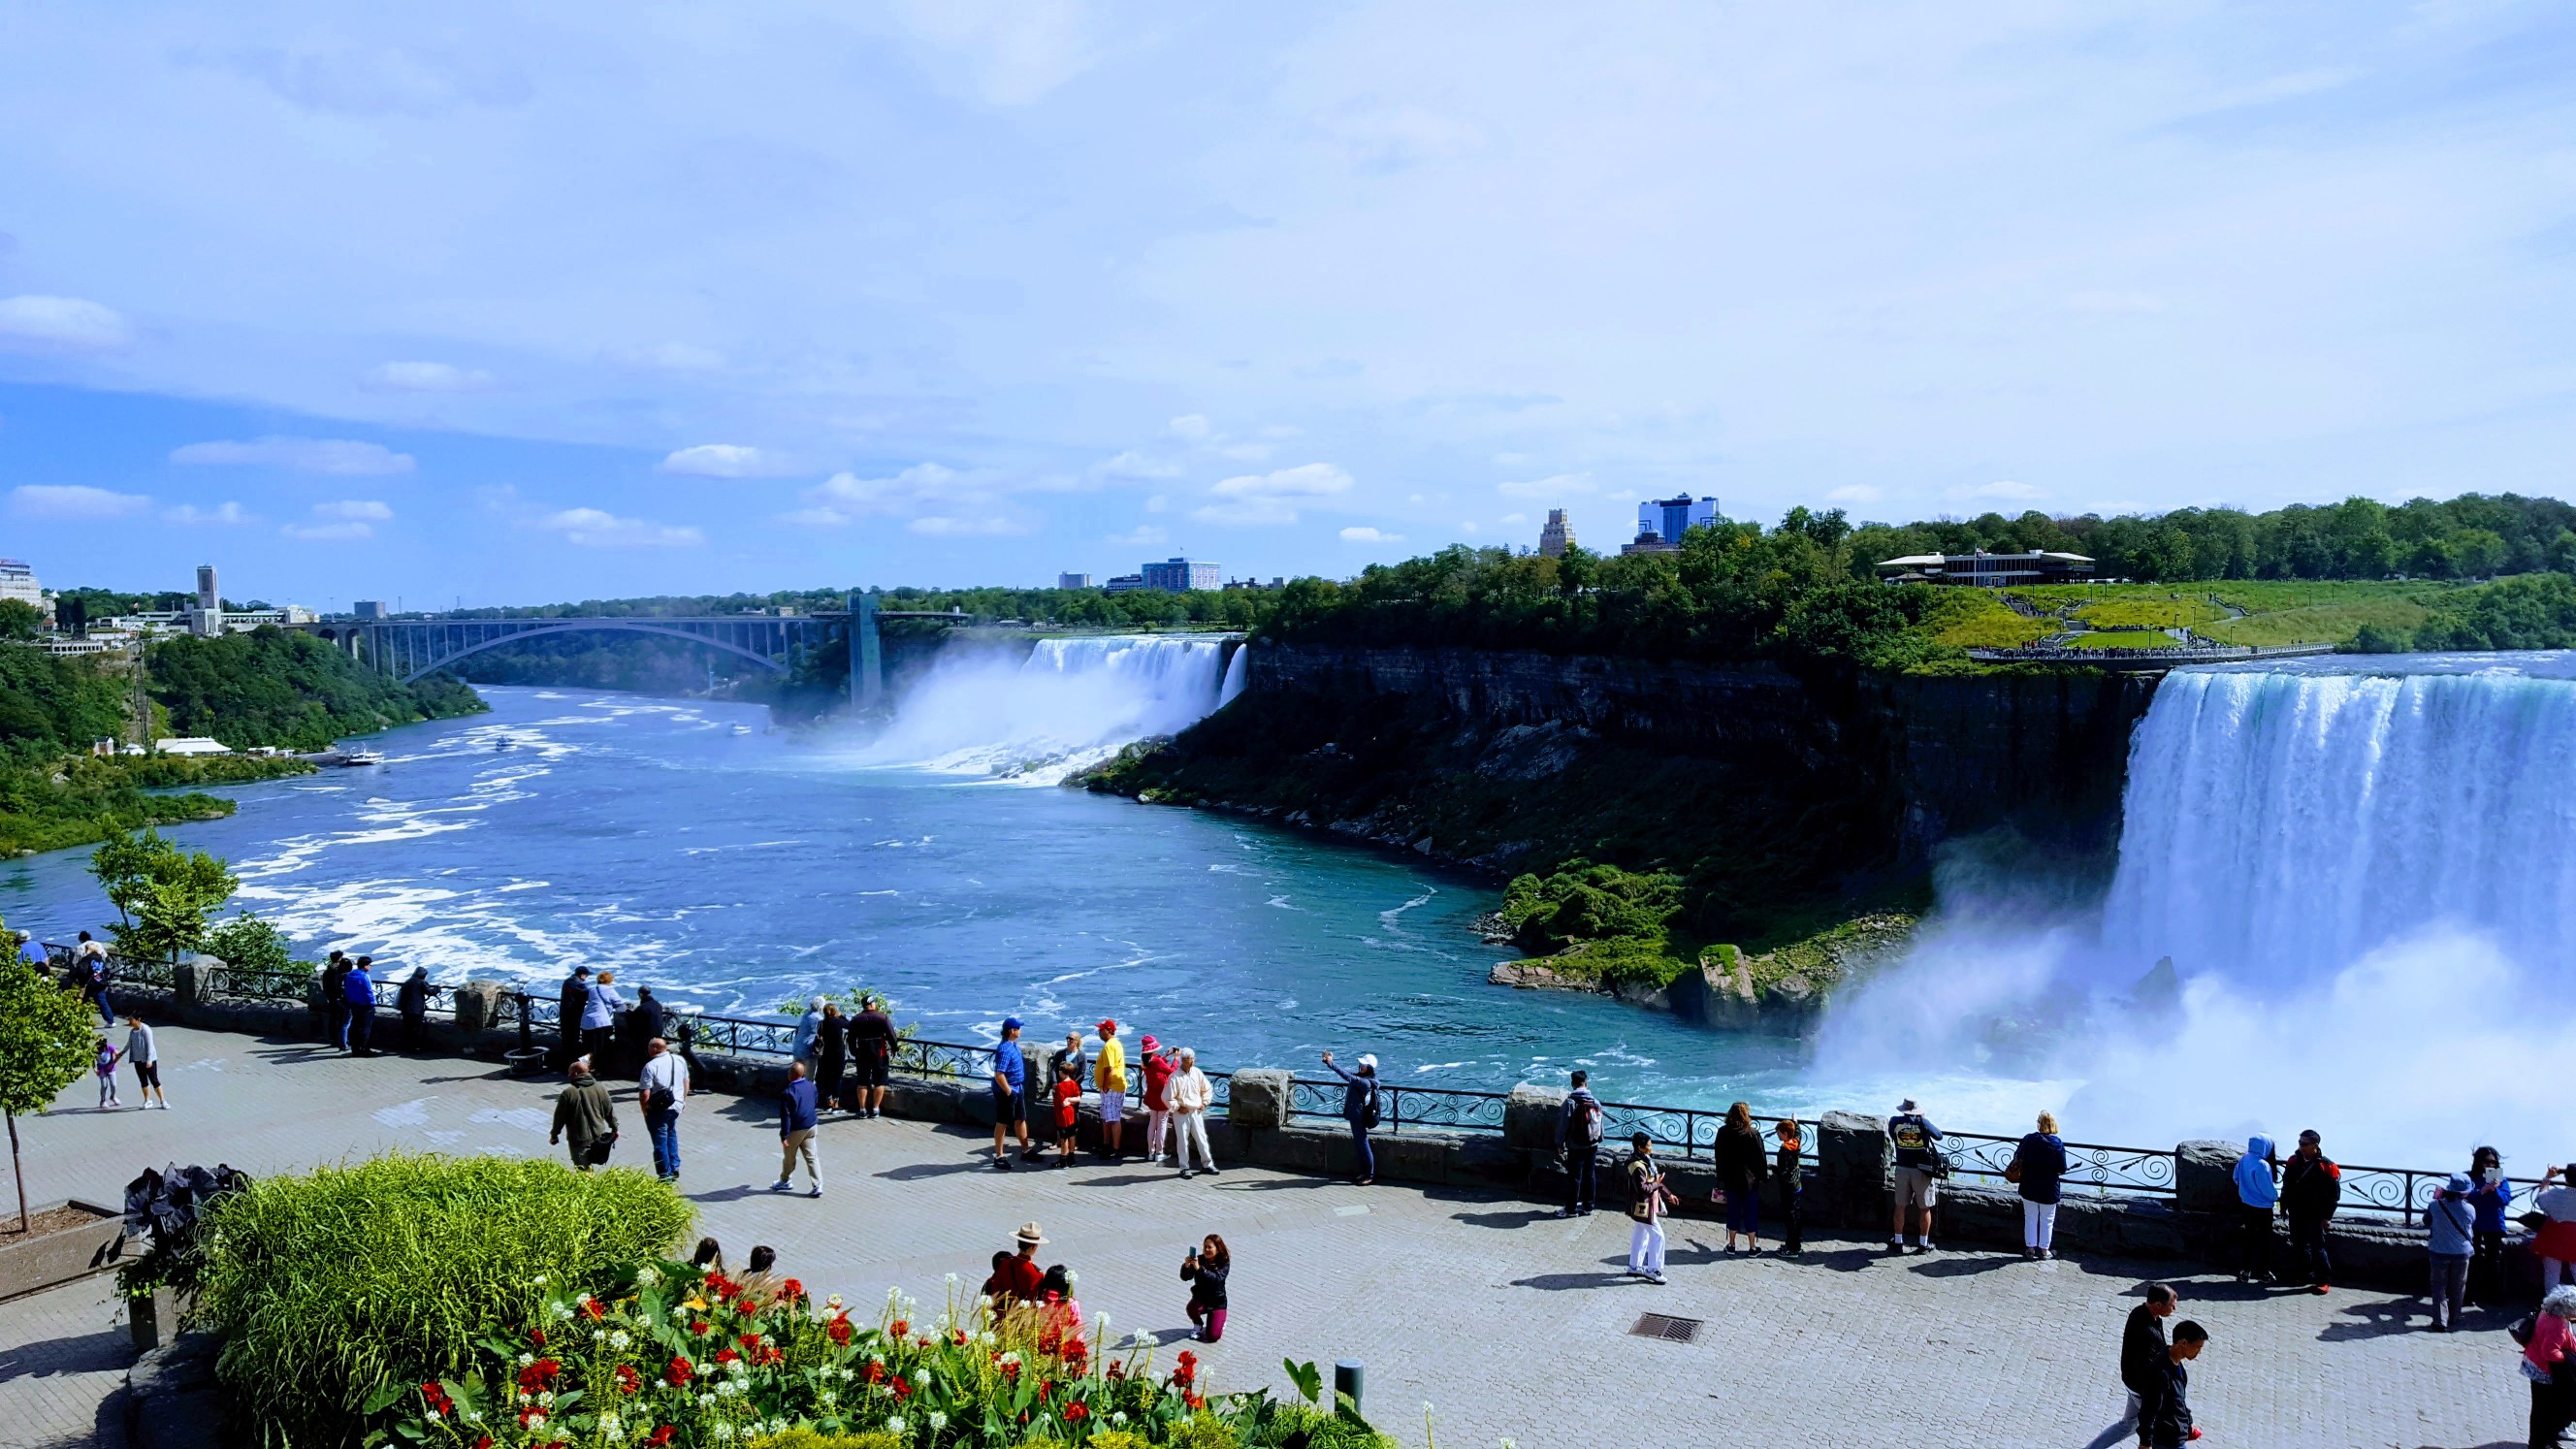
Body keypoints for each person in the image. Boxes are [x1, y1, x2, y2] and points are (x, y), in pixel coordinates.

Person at [2281, 1128, 2342, 1294]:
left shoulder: (2328, 1166)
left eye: (2305, 1144)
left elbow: (2334, 1195)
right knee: (2299, 1245)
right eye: (2300, 1142)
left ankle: (2323, 1280)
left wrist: (2327, 1216)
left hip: (2315, 1212)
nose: (2301, 1146)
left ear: (2315, 1145)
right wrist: (2283, 1206)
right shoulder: (2293, 1161)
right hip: (2296, 1210)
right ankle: (2303, 1274)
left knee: (2317, 1247)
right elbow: (2287, 1185)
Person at [2120, 1283, 2178, 1447]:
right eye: (2171, 1304)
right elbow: (2150, 1369)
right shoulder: (2147, 1331)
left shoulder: (2141, 1313)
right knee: (2158, 1428)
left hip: (2132, 1384)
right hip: (2141, 1388)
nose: (2174, 1308)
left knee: (2127, 1426)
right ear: (2158, 1305)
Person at [2138, 1320, 2207, 1449]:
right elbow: (2149, 1409)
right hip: (2165, 1441)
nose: (2199, 1352)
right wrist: (2145, 1443)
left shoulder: (2178, 1367)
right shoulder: (2160, 1372)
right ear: (2183, 1343)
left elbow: (2179, 1401)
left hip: (2176, 1437)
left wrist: (2189, 1422)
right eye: (2198, 1347)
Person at [1888, 1097, 1944, 1254]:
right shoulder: (1922, 1123)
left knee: (1900, 1206)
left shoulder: (1894, 1122)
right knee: (1924, 1207)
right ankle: (1923, 1244)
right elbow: (1939, 1135)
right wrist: (1923, 1119)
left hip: (1901, 1168)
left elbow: (1893, 1135)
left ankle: (1898, 1242)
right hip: (1921, 1170)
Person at [2014, 1111, 2071, 1261]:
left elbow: (2017, 1156)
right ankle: (2045, 1251)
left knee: (2030, 1217)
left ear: (2039, 1124)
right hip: (2049, 1187)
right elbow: (2062, 1168)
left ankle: (2030, 1249)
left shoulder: (2028, 1139)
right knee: (2047, 1219)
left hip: (2029, 1184)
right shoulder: (2057, 1143)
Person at [1713, 1102, 1767, 1253]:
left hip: (1731, 1179)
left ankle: (1731, 1245)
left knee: (1733, 1212)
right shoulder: (1752, 1133)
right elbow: (1760, 1157)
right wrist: (1763, 1176)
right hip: (1749, 1180)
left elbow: (1719, 1156)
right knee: (1750, 1212)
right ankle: (1752, 1246)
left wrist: (1721, 1176)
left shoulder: (1723, 1132)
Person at [2527, 1284, 2576, 1449]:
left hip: (2534, 1364)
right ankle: (2539, 1443)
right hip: (2543, 1370)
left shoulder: (2547, 1312)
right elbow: (2550, 1352)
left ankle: (2546, 1439)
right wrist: (2569, 1358)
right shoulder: (2558, 1324)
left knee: (2543, 1408)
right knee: (2543, 1409)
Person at [548, 1056, 618, 1171]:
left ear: (576, 1073)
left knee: (582, 1169)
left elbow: (559, 1117)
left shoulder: (569, 1093)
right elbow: (609, 1111)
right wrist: (615, 1128)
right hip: (598, 1136)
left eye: (569, 1073)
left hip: (579, 1138)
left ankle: (589, 1187)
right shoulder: (600, 1088)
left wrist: (554, 1135)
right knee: (591, 1165)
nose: (568, 1075)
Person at [1321, 1049, 1379, 1185]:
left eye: (1363, 1064)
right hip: (1355, 1115)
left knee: (1363, 1143)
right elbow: (1347, 1072)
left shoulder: (1365, 1082)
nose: (1360, 1065)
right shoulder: (1363, 1078)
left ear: (1369, 1068)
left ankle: (1370, 1175)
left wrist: (1331, 1063)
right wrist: (1330, 1063)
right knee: (1359, 1144)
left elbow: (1348, 1077)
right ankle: (1363, 1172)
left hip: (1359, 1116)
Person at [2428, 1172, 2476, 1333]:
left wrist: (2437, 1199)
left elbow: (2426, 1220)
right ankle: (2454, 1316)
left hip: (2438, 1251)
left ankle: (2440, 1320)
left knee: (2438, 1286)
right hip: (2461, 1253)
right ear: (2465, 1193)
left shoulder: (2435, 1205)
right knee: (2458, 1285)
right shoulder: (2470, 1209)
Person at [2468, 1145, 2517, 1307]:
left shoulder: (2501, 1179)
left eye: (2493, 1162)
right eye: (2486, 1162)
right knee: (2472, 1259)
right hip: (2474, 1223)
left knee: (2493, 1261)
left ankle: (2493, 1294)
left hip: (2494, 1224)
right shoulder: (2470, 1177)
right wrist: (2482, 1191)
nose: (2490, 1165)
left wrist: (2494, 1190)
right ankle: (2469, 1294)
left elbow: (2504, 1200)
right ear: (2479, 1162)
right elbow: (2467, 1197)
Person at [638, 1036, 691, 1182]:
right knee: (671, 1135)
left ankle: (664, 1174)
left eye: (649, 1047)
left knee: (660, 1140)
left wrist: (645, 1110)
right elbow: (686, 1081)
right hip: (676, 1105)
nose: (648, 1050)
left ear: (654, 1049)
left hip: (659, 1108)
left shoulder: (651, 1066)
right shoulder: (679, 1060)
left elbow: (645, 1093)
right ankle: (674, 1167)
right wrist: (683, 1100)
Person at [1625, 1131, 1672, 1284]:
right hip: (1644, 1206)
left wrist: (1668, 1194)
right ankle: (1653, 1270)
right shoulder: (1638, 1166)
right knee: (1658, 1236)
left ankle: (1634, 1266)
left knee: (1641, 1235)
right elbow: (1643, 1188)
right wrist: (1658, 1183)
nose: (1651, 1148)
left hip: (1643, 1205)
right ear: (1640, 1147)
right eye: (1648, 1146)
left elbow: (1653, 1181)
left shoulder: (1643, 1161)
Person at [1555, 1070, 1603, 1218]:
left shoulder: (1570, 1102)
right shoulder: (1595, 1101)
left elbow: (1563, 1125)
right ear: (1586, 1083)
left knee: (1574, 1177)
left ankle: (1570, 1209)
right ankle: (1589, 1207)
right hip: (1592, 1144)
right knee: (1590, 1175)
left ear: (1572, 1084)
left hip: (1576, 1145)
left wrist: (1559, 1143)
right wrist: (1598, 1139)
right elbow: (1600, 1123)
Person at [2233, 1135, 2280, 1285]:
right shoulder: (2262, 1165)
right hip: (2263, 1208)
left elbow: (2235, 1177)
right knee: (2265, 1241)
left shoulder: (2244, 1159)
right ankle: (2265, 1272)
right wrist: (2275, 1197)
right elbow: (2267, 1189)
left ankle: (2246, 1271)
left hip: (2247, 1204)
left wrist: (2246, 1191)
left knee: (2249, 1238)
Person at [772, 1060, 822, 1197]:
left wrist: (784, 1135)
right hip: (811, 1125)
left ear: (791, 1075)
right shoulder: (811, 1086)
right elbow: (814, 1101)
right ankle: (817, 1185)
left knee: (789, 1158)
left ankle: (785, 1180)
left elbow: (786, 1117)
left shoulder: (788, 1092)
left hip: (796, 1129)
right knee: (812, 1157)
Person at [990, 1016, 1033, 1170]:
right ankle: (999, 1156)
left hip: (1017, 1088)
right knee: (1002, 1122)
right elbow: (999, 1074)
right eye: (1018, 1028)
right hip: (1007, 1091)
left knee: (1021, 1118)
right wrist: (1009, 1092)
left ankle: (1026, 1149)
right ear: (1012, 1031)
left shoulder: (1013, 1045)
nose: (1020, 1030)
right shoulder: (1004, 1049)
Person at [1169, 1047, 1215, 1178]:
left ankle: (1207, 1164)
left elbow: (1207, 1089)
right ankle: (1184, 1167)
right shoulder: (1174, 1077)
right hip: (1181, 1112)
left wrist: (1204, 1103)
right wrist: (1177, 1107)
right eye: (1189, 1059)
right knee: (1182, 1140)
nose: (1192, 1062)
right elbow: (1167, 1097)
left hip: (1195, 1111)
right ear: (1183, 1060)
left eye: (1193, 1059)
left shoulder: (1197, 1073)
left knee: (1202, 1138)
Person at [849, 994, 895, 1119]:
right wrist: (895, 1048)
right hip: (879, 1053)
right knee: (879, 1081)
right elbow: (891, 1035)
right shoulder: (882, 1017)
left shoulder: (856, 1019)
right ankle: (875, 1109)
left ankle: (862, 1109)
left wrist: (854, 1051)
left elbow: (851, 1039)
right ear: (872, 1004)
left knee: (862, 1081)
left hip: (862, 1053)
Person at [1047, 1027, 1087, 1165]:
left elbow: (1082, 1072)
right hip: (1061, 1088)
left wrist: (1071, 1084)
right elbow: (1053, 1069)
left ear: (1077, 1042)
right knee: (1060, 1119)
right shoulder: (1060, 1054)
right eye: (1067, 1038)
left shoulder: (1081, 1055)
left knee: (1071, 1120)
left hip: (1072, 1088)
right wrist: (1054, 1083)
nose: (1068, 1041)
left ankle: (1068, 1152)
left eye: (1071, 1039)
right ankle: (1060, 1143)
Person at [1182, 1234, 1231, 1341]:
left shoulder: (1224, 1262)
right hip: (1202, 1299)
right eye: (1205, 1247)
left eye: (1210, 1247)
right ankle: (1198, 1325)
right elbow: (1186, 1277)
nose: (1206, 1250)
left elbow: (1216, 1279)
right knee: (1191, 1308)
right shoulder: (1199, 1259)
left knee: (1213, 1337)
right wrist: (1186, 1265)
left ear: (1218, 1249)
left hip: (1217, 1302)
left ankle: (1219, 1321)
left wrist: (1200, 1269)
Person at [2536, 1165, 2576, 1293]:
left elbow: (2541, 1197)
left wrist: (2548, 1177)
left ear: (2566, 1178)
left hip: (2554, 1236)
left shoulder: (2555, 1194)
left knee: (2551, 1277)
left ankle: (2551, 1309)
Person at [1093, 1019, 1127, 1159]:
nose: (1099, 1032)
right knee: (1108, 1117)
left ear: (1108, 1030)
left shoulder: (1109, 1046)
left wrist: (1105, 1085)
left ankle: (1115, 1148)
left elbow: (1109, 1068)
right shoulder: (1116, 1043)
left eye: (1102, 1029)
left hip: (1111, 1087)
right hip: (1115, 1086)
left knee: (1113, 1118)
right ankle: (1107, 1144)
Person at [1141, 1034, 1175, 1164]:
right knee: (1161, 1124)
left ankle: (1150, 1152)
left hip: (1151, 1095)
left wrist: (1166, 1056)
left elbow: (1157, 1067)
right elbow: (1171, 1070)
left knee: (1152, 1123)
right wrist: (1176, 1058)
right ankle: (1159, 1153)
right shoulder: (1156, 1061)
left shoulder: (1145, 1061)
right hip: (1162, 1096)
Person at [1773, 1117, 1805, 1257]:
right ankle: (1796, 1244)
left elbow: (1783, 1172)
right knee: (1796, 1216)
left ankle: (1792, 1248)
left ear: (1785, 1134)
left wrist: (1772, 1168)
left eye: (1779, 1133)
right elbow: (1799, 1133)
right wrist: (1795, 1122)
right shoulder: (1795, 1143)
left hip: (1788, 1188)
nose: (1777, 1135)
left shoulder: (1784, 1151)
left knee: (1790, 1218)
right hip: (1797, 1184)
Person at [582, 971, 626, 1072]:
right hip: (601, 1021)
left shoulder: (592, 989)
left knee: (588, 1047)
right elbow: (619, 1003)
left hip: (586, 1021)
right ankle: (599, 1069)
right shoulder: (609, 989)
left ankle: (583, 1067)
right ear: (609, 980)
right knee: (601, 1048)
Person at [124, 1014, 167, 1111]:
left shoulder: (146, 1030)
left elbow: (150, 1046)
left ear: (138, 1019)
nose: (130, 1022)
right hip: (137, 1060)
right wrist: (120, 1054)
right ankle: (147, 1101)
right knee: (143, 1081)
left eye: (131, 1020)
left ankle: (162, 1101)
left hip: (149, 1060)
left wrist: (149, 1060)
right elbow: (128, 1044)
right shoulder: (132, 1031)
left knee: (154, 1080)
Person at [1001, 1222, 1048, 1304]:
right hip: (1022, 1314)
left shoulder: (1004, 1263)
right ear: (1033, 1247)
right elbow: (1033, 1301)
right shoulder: (1036, 1274)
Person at [555, 965, 592, 1070]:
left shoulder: (568, 981)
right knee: (572, 1040)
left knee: (566, 1039)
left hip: (565, 1013)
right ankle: (570, 1065)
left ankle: (565, 1064)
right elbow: (588, 993)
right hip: (573, 1015)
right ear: (582, 975)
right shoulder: (578, 983)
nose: (587, 977)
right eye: (586, 975)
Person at [1051, 1058, 1082, 1170]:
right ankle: (1071, 1157)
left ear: (1062, 1072)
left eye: (1060, 1071)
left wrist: (1064, 1099)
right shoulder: (1074, 1083)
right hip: (1071, 1112)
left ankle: (1063, 1160)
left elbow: (1061, 1102)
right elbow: (1078, 1098)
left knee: (1063, 1137)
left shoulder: (1059, 1086)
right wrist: (1070, 1099)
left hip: (1062, 1114)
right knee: (1072, 1134)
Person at [343, 955, 377, 1057]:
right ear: (365, 965)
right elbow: (368, 992)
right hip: (365, 1005)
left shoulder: (350, 975)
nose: (370, 967)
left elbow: (347, 990)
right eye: (369, 965)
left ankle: (355, 1048)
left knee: (355, 1026)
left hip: (354, 1004)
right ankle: (364, 1048)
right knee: (365, 1028)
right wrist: (372, 1003)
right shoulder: (364, 976)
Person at [816, 1002, 847, 1112]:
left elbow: (819, 1035)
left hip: (826, 1053)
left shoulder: (821, 1023)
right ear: (835, 1011)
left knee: (827, 1077)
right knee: (837, 1078)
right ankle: (836, 1103)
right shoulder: (838, 1022)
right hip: (838, 1053)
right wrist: (841, 1016)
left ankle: (828, 1101)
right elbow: (850, 1025)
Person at [322, 951, 351, 1052]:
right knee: (342, 1021)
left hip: (331, 998)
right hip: (338, 998)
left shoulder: (328, 970)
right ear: (339, 959)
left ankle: (333, 1039)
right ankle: (342, 1040)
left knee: (333, 1018)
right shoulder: (337, 971)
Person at [396, 967, 430, 1052]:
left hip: (406, 1009)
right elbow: (430, 991)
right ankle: (415, 1048)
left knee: (407, 1028)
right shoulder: (420, 983)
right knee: (416, 1029)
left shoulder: (408, 981)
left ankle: (408, 1047)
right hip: (416, 1009)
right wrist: (439, 987)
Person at [792, 996, 826, 1076]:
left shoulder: (805, 1015)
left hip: (797, 1047)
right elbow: (823, 1033)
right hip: (808, 1050)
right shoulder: (818, 1019)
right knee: (809, 1077)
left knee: (796, 1074)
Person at [93, 1036, 123, 1110]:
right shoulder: (94, 1050)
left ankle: (113, 1097)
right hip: (101, 1070)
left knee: (114, 1085)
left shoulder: (110, 1047)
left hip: (111, 1069)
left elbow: (118, 1055)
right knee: (104, 1085)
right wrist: (95, 1070)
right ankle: (103, 1101)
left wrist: (112, 1063)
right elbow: (92, 1060)